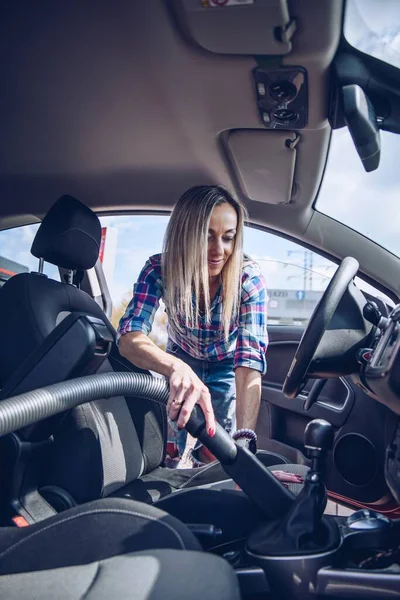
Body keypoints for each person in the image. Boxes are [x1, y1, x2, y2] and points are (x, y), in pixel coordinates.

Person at [117, 184, 268, 466]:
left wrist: (245, 441)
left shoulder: (249, 281)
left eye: (228, 238)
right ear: (185, 234)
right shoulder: (158, 270)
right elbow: (129, 337)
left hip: (226, 364)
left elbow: (249, 364)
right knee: (170, 444)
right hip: (180, 356)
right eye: (207, 236)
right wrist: (176, 367)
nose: (219, 250)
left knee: (217, 448)